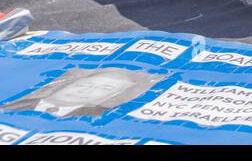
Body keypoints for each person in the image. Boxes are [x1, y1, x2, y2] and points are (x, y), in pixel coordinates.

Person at [2, 67, 157, 119]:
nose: (86, 90)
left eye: (104, 89)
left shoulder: (97, 116)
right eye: (87, 84)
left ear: (110, 96)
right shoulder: (13, 105)